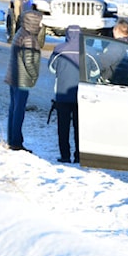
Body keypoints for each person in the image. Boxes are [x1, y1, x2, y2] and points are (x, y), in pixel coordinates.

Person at [5, 10, 43, 152]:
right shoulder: (28, 38)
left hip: (14, 77)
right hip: (22, 79)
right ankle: (16, 142)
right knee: (19, 111)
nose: (40, 25)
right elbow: (29, 61)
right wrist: (34, 76)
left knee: (13, 110)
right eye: (39, 22)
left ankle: (12, 139)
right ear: (33, 22)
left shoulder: (20, 33)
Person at [49, 24, 81, 163]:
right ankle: (79, 155)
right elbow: (94, 72)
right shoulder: (87, 50)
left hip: (62, 93)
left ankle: (65, 155)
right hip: (81, 95)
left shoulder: (59, 49)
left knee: (63, 126)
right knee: (79, 127)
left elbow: (51, 67)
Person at [98, 18, 128, 84]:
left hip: (110, 80)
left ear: (116, 30)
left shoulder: (116, 46)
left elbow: (103, 63)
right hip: (123, 79)